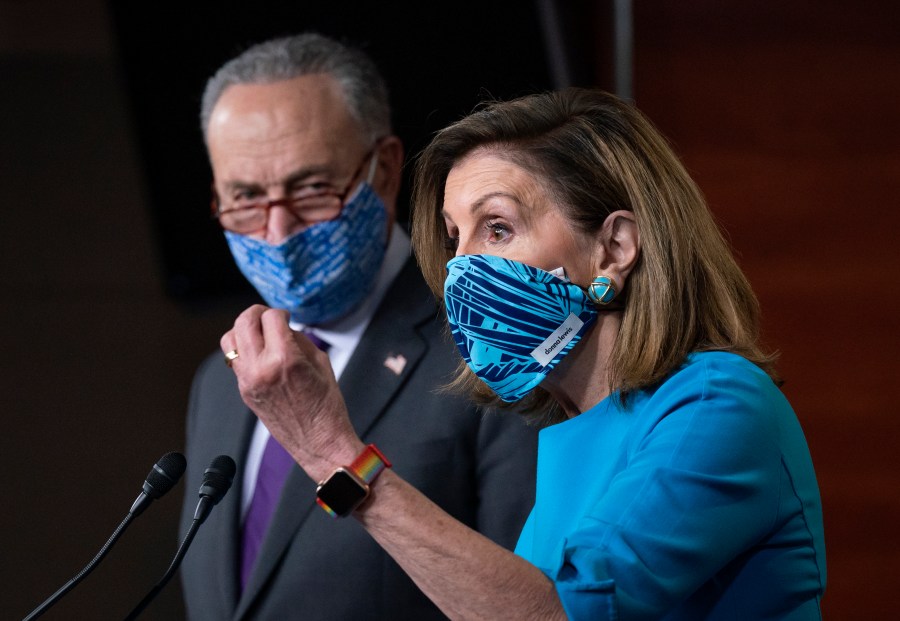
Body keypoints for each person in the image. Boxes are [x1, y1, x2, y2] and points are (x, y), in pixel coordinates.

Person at [222, 87, 826, 620]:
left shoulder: (717, 403)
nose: (461, 270)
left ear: (614, 248)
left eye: (498, 228)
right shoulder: (569, 429)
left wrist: (333, 453)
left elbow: (557, 615)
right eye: (455, 238)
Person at [178, 33, 539, 621]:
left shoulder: (493, 347)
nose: (277, 231)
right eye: (245, 197)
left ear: (386, 170)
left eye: (312, 188)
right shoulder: (220, 382)